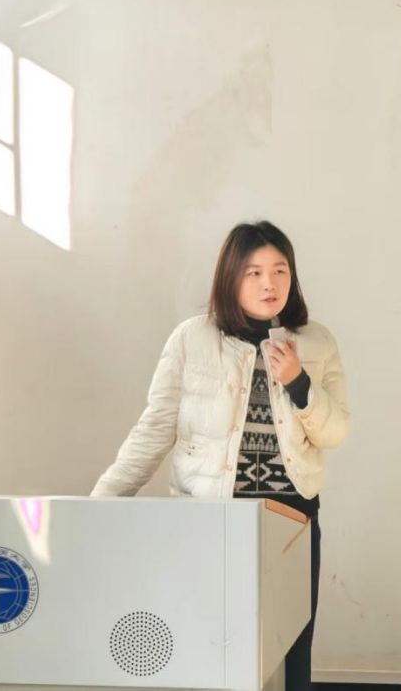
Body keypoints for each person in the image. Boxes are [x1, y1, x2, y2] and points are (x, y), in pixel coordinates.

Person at [91, 220, 350, 691]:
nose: (269, 283)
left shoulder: (316, 342)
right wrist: (100, 504)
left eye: (280, 270)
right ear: (230, 276)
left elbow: (334, 432)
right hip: (211, 517)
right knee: (207, 644)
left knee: (290, 650)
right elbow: (155, 428)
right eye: (254, 272)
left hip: (291, 518)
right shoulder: (191, 339)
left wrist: (298, 381)